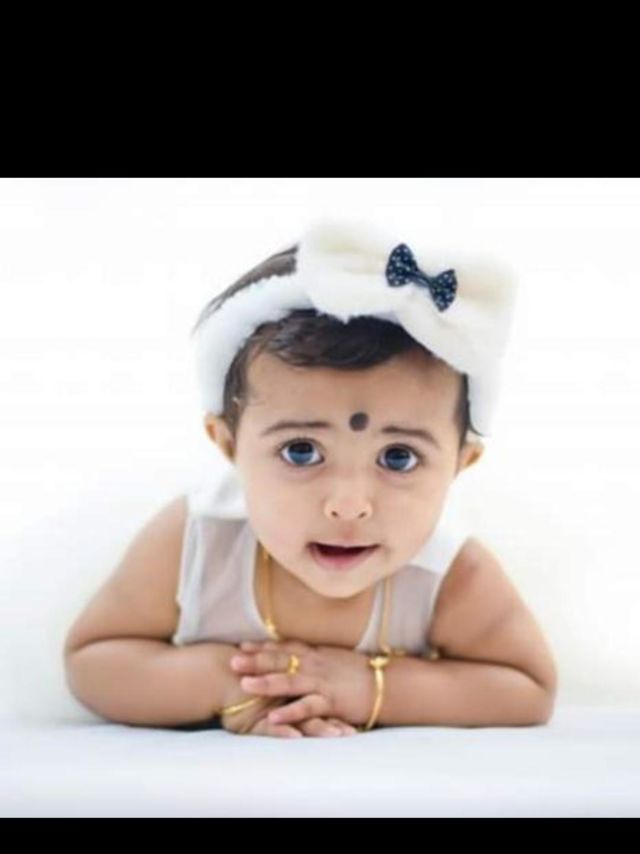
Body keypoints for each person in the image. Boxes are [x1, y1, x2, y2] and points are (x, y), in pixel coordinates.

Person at [65, 218, 558, 738]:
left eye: (398, 458)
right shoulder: (199, 539)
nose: (349, 504)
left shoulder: (446, 570)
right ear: (229, 445)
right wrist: (231, 684)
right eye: (301, 452)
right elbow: (92, 660)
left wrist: (372, 688)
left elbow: (528, 687)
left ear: (460, 463)